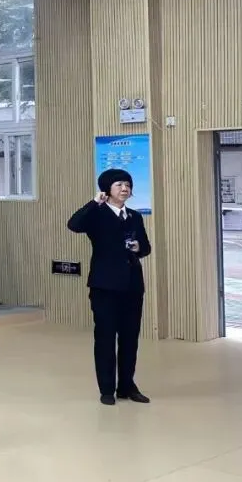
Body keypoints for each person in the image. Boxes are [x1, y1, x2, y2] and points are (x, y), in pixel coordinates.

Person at [67, 169, 152, 406]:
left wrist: (138, 248)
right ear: (107, 189)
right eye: (119, 185)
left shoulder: (134, 216)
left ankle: (126, 385)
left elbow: (146, 247)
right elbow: (74, 224)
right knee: (105, 338)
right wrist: (94, 203)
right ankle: (106, 388)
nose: (125, 189)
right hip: (104, 286)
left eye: (128, 185)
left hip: (132, 286)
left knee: (130, 338)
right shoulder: (97, 214)